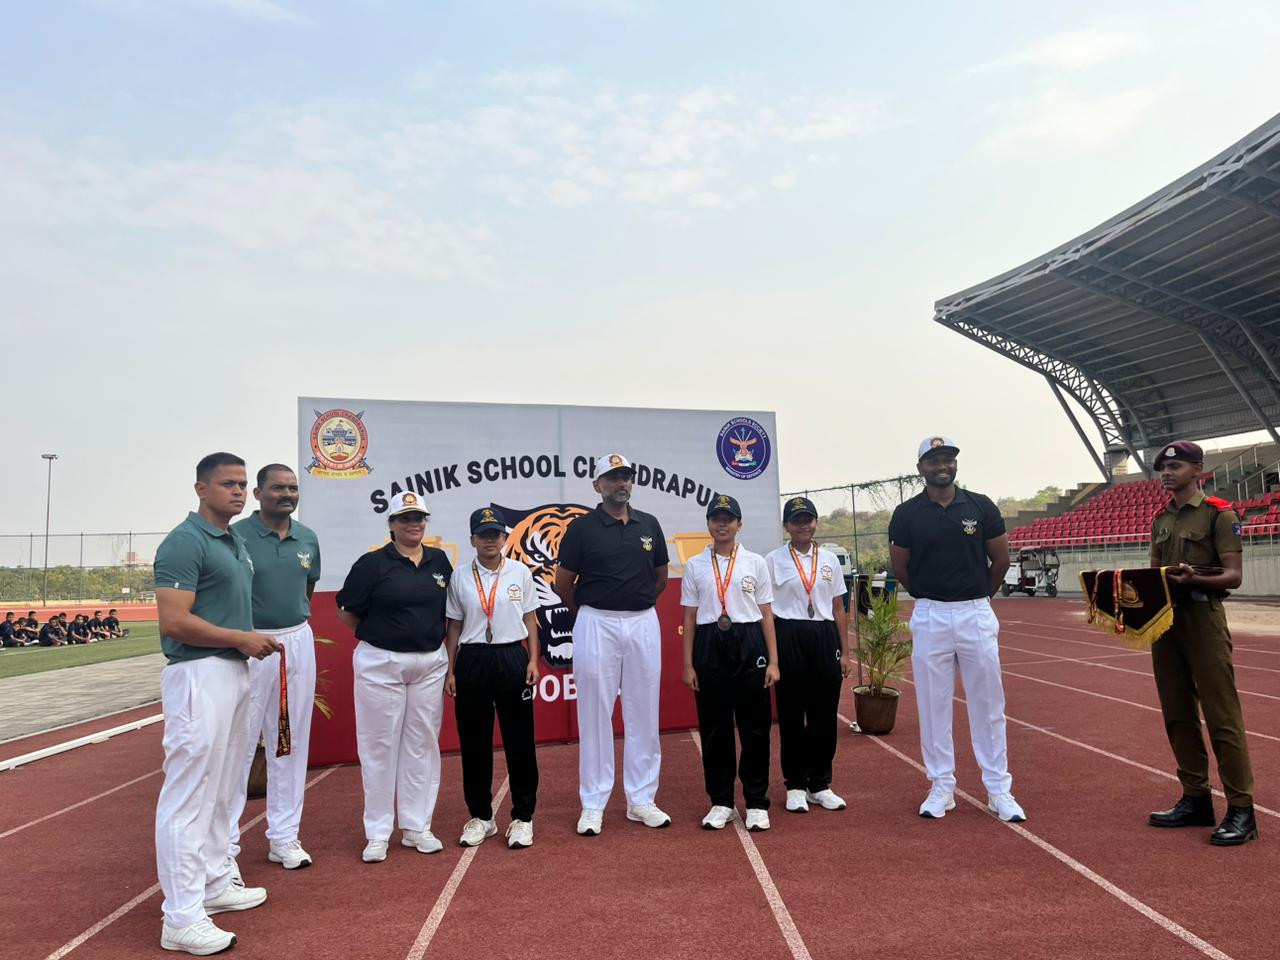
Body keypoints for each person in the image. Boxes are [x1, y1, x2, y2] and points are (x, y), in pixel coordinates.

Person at [153, 452, 281, 956]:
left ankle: (211, 885)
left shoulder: (234, 542)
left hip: (231, 669)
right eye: (228, 483)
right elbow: (173, 621)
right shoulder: (185, 542)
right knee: (189, 794)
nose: (239, 492)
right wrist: (239, 637)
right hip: (197, 674)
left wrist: (245, 641)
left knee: (224, 788)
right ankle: (180, 916)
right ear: (200, 488)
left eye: (244, 485)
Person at [888, 436, 1025, 823]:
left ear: (955, 464)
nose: (942, 465)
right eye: (934, 460)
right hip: (930, 613)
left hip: (975, 612)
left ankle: (999, 789)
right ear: (921, 468)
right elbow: (902, 568)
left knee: (989, 704)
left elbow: (999, 560)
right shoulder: (907, 513)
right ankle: (941, 786)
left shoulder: (980, 506)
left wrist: (977, 594)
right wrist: (931, 596)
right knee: (933, 705)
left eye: (947, 458)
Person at [1145, 440, 1257, 846]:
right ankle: (1196, 798)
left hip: (1203, 617)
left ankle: (1242, 810)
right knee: (1177, 712)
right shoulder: (1160, 519)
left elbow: (1234, 576)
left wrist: (1194, 579)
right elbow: (1155, 575)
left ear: (1198, 470)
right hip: (1167, 622)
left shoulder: (1219, 515)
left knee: (1222, 715)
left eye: (1175, 466)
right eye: (1163, 468)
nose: (1167, 473)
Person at [554, 453, 672, 836]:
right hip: (596, 621)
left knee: (643, 712)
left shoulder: (649, 524)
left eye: (625, 477)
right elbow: (562, 583)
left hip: (641, 622)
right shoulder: (582, 529)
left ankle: (641, 800)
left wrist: (633, 604)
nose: (620, 483)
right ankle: (593, 802)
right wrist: (591, 610)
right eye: (611, 478)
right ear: (597, 485)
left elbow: (659, 578)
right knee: (594, 713)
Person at [336, 490, 452, 863]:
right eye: (405, 518)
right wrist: (384, 636)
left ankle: (417, 826)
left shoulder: (439, 561)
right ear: (391, 525)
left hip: (429, 663)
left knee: (422, 745)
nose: (413, 524)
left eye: (419, 517)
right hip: (382, 663)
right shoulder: (372, 564)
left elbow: (448, 613)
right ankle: (378, 832)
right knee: (379, 747)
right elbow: (347, 612)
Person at [227, 464, 323, 872]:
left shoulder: (307, 538)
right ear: (258, 494)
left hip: (296, 641)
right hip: (250, 643)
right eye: (278, 488)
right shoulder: (236, 537)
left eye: (293, 488)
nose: (287, 494)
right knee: (240, 744)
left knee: (289, 741)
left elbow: (308, 588)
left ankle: (284, 837)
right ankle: (225, 846)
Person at [681, 494, 780, 831]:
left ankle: (756, 801)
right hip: (710, 645)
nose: (721, 524)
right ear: (708, 524)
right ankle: (721, 801)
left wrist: (774, 661)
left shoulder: (755, 562)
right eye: (715, 518)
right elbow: (690, 616)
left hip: (750, 643)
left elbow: (766, 613)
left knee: (755, 728)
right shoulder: (695, 565)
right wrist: (689, 664)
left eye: (728, 518)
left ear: (739, 524)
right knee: (714, 729)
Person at [444, 507, 541, 849]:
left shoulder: (520, 572)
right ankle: (482, 817)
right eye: (483, 535)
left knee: (520, 741)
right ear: (472, 539)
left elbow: (530, 618)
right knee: (474, 742)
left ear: (504, 537)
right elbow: (454, 625)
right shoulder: (459, 576)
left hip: (511, 657)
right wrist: (451, 668)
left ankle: (523, 817)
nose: (490, 540)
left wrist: (532, 659)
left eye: (496, 534)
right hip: (472, 660)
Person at [766, 496, 851, 814]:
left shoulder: (829, 559)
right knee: (790, 715)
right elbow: (766, 611)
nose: (803, 525)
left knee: (824, 716)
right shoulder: (773, 560)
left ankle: (820, 784)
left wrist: (844, 651)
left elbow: (839, 608)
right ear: (786, 526)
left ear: (816, 523)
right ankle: (795, 785)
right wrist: (773, 656)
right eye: (796, 520)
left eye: (809, 519)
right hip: (789, 635)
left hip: (824, 636)